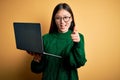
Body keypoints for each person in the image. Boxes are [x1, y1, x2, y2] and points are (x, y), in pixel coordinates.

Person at [27, 3, 87, 80]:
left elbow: (80, 62)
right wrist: (36, 59)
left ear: (71, 18)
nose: (62, 22)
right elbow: (36, 69)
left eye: (66, 17)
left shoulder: (79, 37)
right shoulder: (45, 39)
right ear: (54, 20)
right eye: (58, 18)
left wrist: (78, 44)